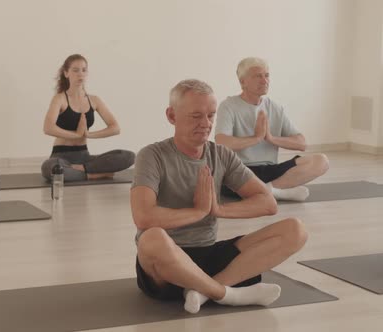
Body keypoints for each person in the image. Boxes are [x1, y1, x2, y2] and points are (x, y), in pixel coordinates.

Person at [131, 79, 307, 313]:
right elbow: (143, 217)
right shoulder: (152, 155)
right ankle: (227, 294)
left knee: (295, 229)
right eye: (196, 116)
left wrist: (218, 210)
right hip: (165, 267)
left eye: (211, 115)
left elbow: (267, 203)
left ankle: (203, 291)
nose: (206, 124)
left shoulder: (221, 155)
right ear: (172, 116)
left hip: (209, 254)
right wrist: (197, 212)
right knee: (151, 238)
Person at [215, 57, 329, 201]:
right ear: (242, 82)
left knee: (321, 161)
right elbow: (222, 143)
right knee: (227, 178)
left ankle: (269, 190)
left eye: (266, 75)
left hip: (270, 170)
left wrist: (270, 138)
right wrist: (256, 138)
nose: (264, 80)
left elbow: (301, 143)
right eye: (257, 76)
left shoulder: (275, 108)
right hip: (240, 170)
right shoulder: (228, 106)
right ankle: (276, 191)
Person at [41, 54, 134, 181]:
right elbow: (48, 128)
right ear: (66, 73)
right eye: (75, 70)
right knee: (49, 168)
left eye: (84, 70)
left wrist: (88, 134)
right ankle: (92, 174)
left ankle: (82, 169)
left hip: (85, 157)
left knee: (128, 156)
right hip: (61, 156)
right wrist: (77, 134)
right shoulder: (60, 99)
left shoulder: (94, 100)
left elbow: (115, 128)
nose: (81, 74)